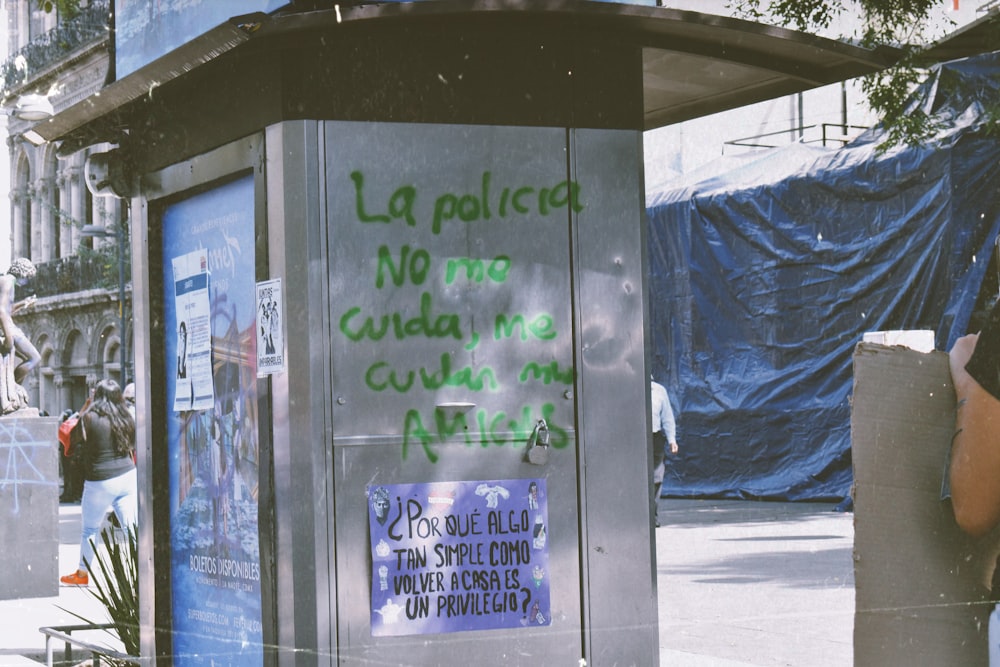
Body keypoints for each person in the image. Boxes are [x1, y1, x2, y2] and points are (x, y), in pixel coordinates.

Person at [60, 379, 137, 586]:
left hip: (100, 481)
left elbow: (66, 433)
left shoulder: (90, 419)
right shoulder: (127, 417)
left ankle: (82, 575)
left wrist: (83, 409)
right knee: (133, 529)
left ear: (97, 397)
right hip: (128, 476)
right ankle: (144, 573)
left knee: (90, 530)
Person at [0, 257, 40, 385]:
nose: (27, 282)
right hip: (8, 329)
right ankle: (12, 387)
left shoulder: (5, 280)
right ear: (23, 272)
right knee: (34, 358)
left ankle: (12, 388)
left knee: (24, 357)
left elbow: (7, 309)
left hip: (6, 326)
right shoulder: (9, 281)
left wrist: (24, 303)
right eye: (28, 277)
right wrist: (8, 337)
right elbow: (1, 310)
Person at [651, 376, 679, 528]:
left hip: (654, 436)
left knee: (656, 476)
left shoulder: (658, 390)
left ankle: (652, 515)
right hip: (633, 437)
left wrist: (671, 440)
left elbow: (667, 416)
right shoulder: (627, 388)